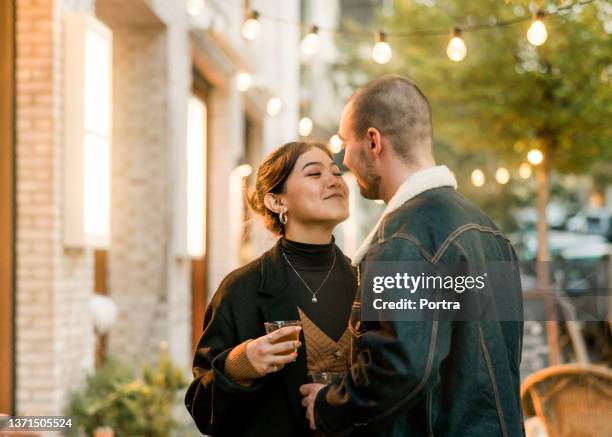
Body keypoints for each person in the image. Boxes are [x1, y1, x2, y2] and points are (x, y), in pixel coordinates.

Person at [301, 75, 525, 436]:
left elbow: (402, 364)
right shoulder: (489, 231)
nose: (344, 161)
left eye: (345, 144)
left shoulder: (404, 236)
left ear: (373, 142)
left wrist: (329, 404)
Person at [185, 142, 357, 436]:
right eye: (314, 174)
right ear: (277, 202)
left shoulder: (366, 281)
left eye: (336, 171)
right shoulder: (241, 290)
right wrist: (242, 365)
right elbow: (203, 411)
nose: (334, 181)